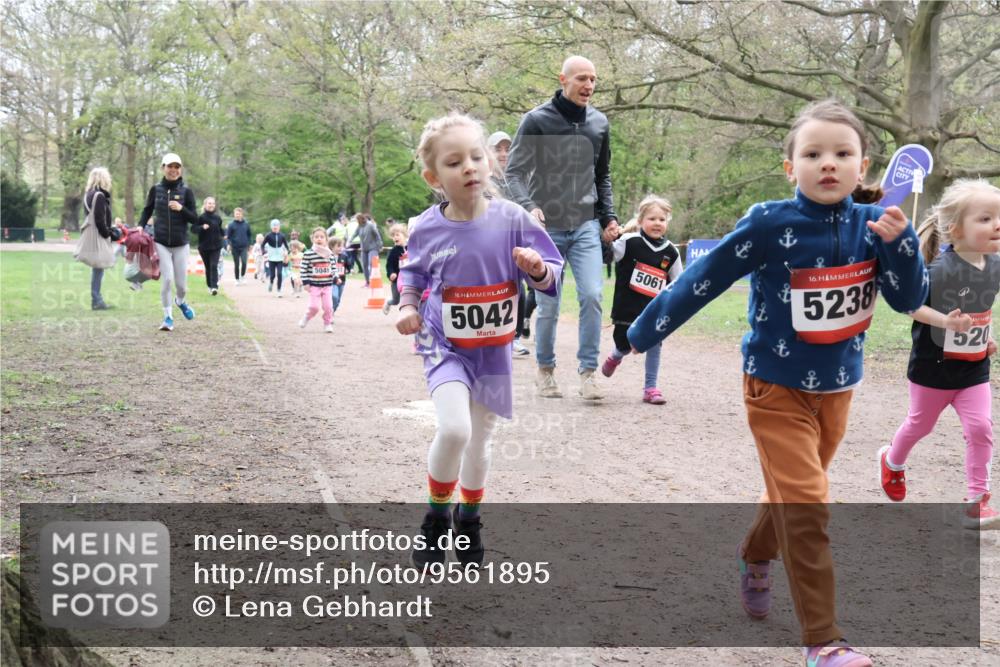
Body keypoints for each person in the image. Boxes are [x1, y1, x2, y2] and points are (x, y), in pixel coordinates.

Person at [627, 100, 927, 666]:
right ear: (791, 167)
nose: (828, 163)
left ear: (862, 166)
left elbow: (908, 298)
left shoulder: (876, 225)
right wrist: (638, 335)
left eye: (842, 153)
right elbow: (701, 279)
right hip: (774, 387)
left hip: (838, 389)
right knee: (808, 502)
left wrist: (901, 245)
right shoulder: (768, 221)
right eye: (812, 154)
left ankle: (755, 552)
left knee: (792, 494)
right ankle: (824, 640)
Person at [397, 112, 562, 569]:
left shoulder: (513, 219)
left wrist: (537, 269)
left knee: (480, 440)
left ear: (489, 162)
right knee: (455, 429)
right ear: (434, 177)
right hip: (443, 345)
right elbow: (412, 273)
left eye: (475, 157)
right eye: (454, 162)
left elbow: (553, 272)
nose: (468, 167)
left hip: (493, 349)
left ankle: (468, 519)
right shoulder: (427, 226)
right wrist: (408, 306)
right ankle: (436, 518)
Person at [880, 179, 1000, 529]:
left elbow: (981, 308)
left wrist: (985, 338)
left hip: (973, 369)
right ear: (956, 230)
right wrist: (946, 322)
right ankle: (892, 461)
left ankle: (977, 503)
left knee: (980, 428)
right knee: (920, 425)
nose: (997, 225)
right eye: (986, 218)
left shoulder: (994, 266)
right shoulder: (940, 270)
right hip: (932, 370)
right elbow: (909, 305)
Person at [505, 55, 620, 400]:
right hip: (547, 228)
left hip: (585, 224)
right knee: (549, 305)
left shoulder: (599, 123)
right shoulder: (536, 120)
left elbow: (602, 176)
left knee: (593, 295)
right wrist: (529, 207)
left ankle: (588, 374)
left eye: (593, 79)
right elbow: (514, 173)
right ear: (563, 79)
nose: (589, 85)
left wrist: (609, 217)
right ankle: (545, 370)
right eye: (582, 78)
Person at [600, 196, 682, 404]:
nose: (657, 223)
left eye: (662, 219)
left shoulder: (671, 251)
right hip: (627, 306)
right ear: (640, 221)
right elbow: (607, 257)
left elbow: (678, 282)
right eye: (652, 219)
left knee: (654, 345)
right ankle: (615, 356)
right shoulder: (629, 242)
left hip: (654, 310)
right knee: (625, 345)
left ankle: (650, 388)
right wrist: (606, 240)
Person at [137, 153, 198, 331]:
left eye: (176, 167)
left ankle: (180, 301)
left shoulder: (186, 191)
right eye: (170, 166)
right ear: (163, 168)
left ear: (180, 170)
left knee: (182, 286)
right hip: (161, 242)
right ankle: (168, 318)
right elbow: (147, 210)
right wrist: (140, 226)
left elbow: (195, 218)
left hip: (181, 243)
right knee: (167, 279)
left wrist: (181, 208)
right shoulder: (155, 189)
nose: (173, 170)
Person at [82, 167, 114, 310]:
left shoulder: (88, 195)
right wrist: (108, 233)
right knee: (99, 268)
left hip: (91, 235)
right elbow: (100, 220)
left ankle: (97, 299)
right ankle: (97, 300)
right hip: (99, 235)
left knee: (97, 268)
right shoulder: (99, 196)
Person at [298, 227, 337, 333]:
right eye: (316, 237)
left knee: (328, 307)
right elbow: (303, 269)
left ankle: (327, 323)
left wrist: (336, 277)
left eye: (321, 237)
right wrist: (305, 282)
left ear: (326, 239)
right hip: (314, 285)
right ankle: (307, 317)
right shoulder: (308, 254)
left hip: (327, 285)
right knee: (314, 307)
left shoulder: (329, 254)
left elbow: (333, 268)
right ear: (312, 239)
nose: (319, 239)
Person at [195, 196, 225, 295]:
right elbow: (193, 229)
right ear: (205, 205)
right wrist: (202, 227)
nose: (211, 205)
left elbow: (220, 229)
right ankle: (209, 285)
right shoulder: (201, 218)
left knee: (213, 265)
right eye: (209, 203)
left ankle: (214, 287)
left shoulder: (218, 218)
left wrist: (224, 234)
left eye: (213, 203)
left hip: (216, 246)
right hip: (204, 247)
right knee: (208, 267)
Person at [349, 213, 384, 287]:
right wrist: (349, 241)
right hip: (364, 248)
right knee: (364, 265)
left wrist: (380, 245)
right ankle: (367, 282)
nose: (356, 222)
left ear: (361, 219)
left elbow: (377, 235)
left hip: (373, 248)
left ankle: (372, 281)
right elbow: (354, 234)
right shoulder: (359, 226)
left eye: (357, 220)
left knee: (371, 263)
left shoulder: (370, 225)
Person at [381, 223, 408, 315]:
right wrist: (391, 273)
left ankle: (406, 315)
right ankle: (388, 302)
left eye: (397, 235)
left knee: (408, 298)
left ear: (404, 235)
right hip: (396, 281)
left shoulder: (411, 248)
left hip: (409, 279)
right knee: (396, 301)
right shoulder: (393, 251)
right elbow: (389, 265)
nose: (395, 237)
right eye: (393, 236)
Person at [262, 219, 289, 296]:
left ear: (279, 227)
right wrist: (263, 252)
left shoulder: (282, 236)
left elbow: (286, 246)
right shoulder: (268, 235)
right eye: (274, 226)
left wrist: (287, 253)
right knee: (272, 275)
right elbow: (262, 245)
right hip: (271, 258)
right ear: (271, 227)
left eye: (277, 225)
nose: (275, 227)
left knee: (280, 274)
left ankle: (279, 290)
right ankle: (271, 283)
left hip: (280, 258)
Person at [226, 207, 252, 284]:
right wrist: (228, 244)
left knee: (244, 262)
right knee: (236, 264)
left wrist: (250, 244)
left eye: (239, 214)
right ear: (234, 215)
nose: (237, 215)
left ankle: (242, 276)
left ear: (241, 214)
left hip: (244, 247)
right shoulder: (231, 225)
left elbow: (249, 235)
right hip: (234, 247)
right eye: (236, 214)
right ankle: (237, 279)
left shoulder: (246, 224)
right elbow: (228, 236)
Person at [330, 237, 348, 313]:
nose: (341, 248)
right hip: (332, 281)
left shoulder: (344, 256)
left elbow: (347, 265)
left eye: (342, 246)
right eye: (338, 246)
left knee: (338, 299)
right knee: (334, 296)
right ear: (332, 247)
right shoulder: (328, 257)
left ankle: (332, 311)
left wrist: (349, 269)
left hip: (342, 281)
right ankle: (330, 312)